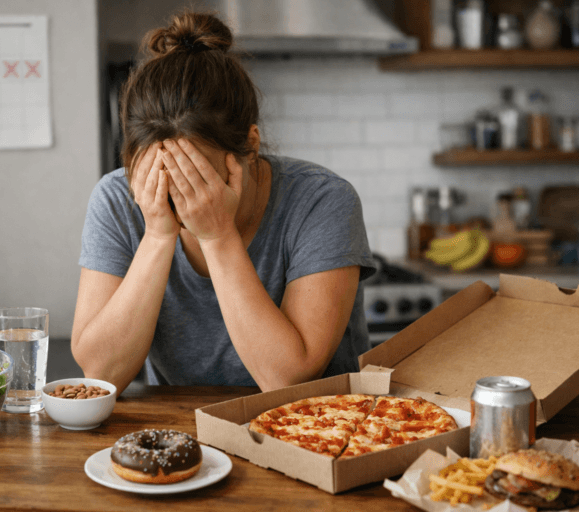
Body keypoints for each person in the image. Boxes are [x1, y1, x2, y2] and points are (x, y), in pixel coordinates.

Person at [71, 11, 376, 394]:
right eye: (161, 173)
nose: (180, 196)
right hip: (176, 429)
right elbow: (100, 373)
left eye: (197, 175)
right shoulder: (117, 198)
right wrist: (157, 237)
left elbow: (286, 378)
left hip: (317, 428)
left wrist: (218, 237)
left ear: (249, 146)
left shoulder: (324, 201)